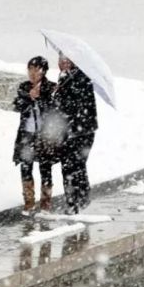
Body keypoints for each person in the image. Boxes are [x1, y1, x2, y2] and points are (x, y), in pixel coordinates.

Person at [12, 56, 58, 214]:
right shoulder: (24, 87)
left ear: (44, 71)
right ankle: (29, 203)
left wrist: (42, 98)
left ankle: (45, 203)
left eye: (36, 70)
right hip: (26, 134)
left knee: (45, 168)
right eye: (30, 69)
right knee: (26, 166)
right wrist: (28, 97)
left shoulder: (52, 87)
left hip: (44, 135)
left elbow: (54, 111)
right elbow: (17, 105)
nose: (32, 73)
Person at [53, 52, 98, 213]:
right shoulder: (66, 78)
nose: (62, 63)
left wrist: (60, 94)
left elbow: (76, 105)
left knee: (73, 166)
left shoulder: (81, 78)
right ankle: (78, 199)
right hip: (72, 130)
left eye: (66, 60)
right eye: (60, 60)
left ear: (73, 61)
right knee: (72, 166)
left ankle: (75, 201)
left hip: (81, 131)